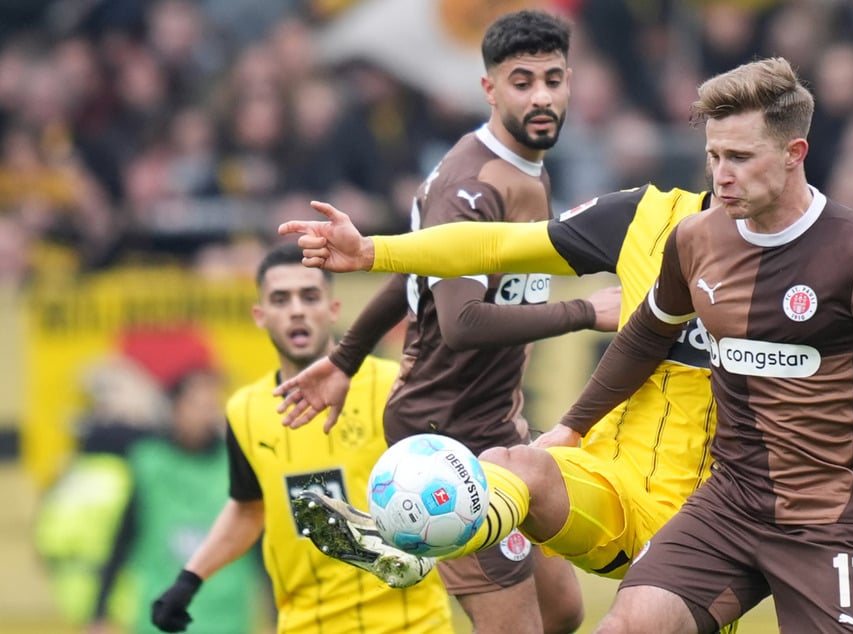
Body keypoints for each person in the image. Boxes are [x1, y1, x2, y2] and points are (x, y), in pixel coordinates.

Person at [276, 58, 853, 633]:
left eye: (737, 158)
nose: (721, 177)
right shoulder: (666, 228)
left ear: (792, 154)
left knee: (564, 609)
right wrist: (374, 250)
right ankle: (421, 536)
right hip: (647, 491)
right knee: (525, 469)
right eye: (712, 157)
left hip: (783, 508)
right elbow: (503, 247)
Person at [283, 9, 624, 634]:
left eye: (553, 79)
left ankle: (397, 549)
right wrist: (586, 311)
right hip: (444, 435)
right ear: (489, 89)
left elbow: (417, 271)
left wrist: (343, 358)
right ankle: (405, 536)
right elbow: (462, 319)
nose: (541, 96)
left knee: (564, 613)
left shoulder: (524, 163)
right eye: (522, 82)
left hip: (496, 423)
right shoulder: (471, 186)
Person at [149, 243, 453, 634]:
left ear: (333, 309)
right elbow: (247, 508)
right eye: (280, 299)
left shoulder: (392, 386)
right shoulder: (245, 410)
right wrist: (189, 580)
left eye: (309, 296)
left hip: (412, 624)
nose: (296, 309)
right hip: (305, 625)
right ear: (260, 316)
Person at [85, 327, 264, 634]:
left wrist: (274, 613)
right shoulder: (149, 462)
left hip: (226, 620)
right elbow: (123, 540)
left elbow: (259, 541)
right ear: (176, 407)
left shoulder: (238, 463)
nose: (206, 410)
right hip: (161, 618)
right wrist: (99, 612)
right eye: (196, 402)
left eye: (212, 401)